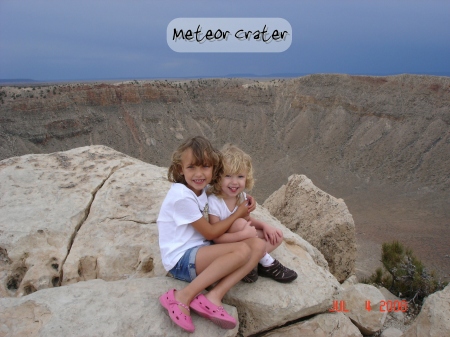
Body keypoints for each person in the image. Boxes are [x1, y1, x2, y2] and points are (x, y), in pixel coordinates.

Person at [157, 136, 266, 333]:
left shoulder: (202, 189)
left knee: (258, 245)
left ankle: (212, 297)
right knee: (242, 249)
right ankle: (182, 297)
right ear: (181, 169)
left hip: (199, 251)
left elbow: (225, 192)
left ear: (214, 168)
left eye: (205, 167)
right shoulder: (182, 197)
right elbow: (211, 232)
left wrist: (247, 199)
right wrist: (240, 214)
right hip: (180, 260)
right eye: (192, 167)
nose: (199, 174)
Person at [208, 144, 297, 283]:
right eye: (228, 176)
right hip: (225, 244)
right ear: (218, 177)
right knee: (239, 223)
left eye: (240, 176)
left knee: (276, 236)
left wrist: (265, 226)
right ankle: (267, 263)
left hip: (241, 238)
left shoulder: (241, 197)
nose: (234, 182)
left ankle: (254, 262)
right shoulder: (215, 202)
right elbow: (216, 238)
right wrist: (243, 234)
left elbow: (248, 218)